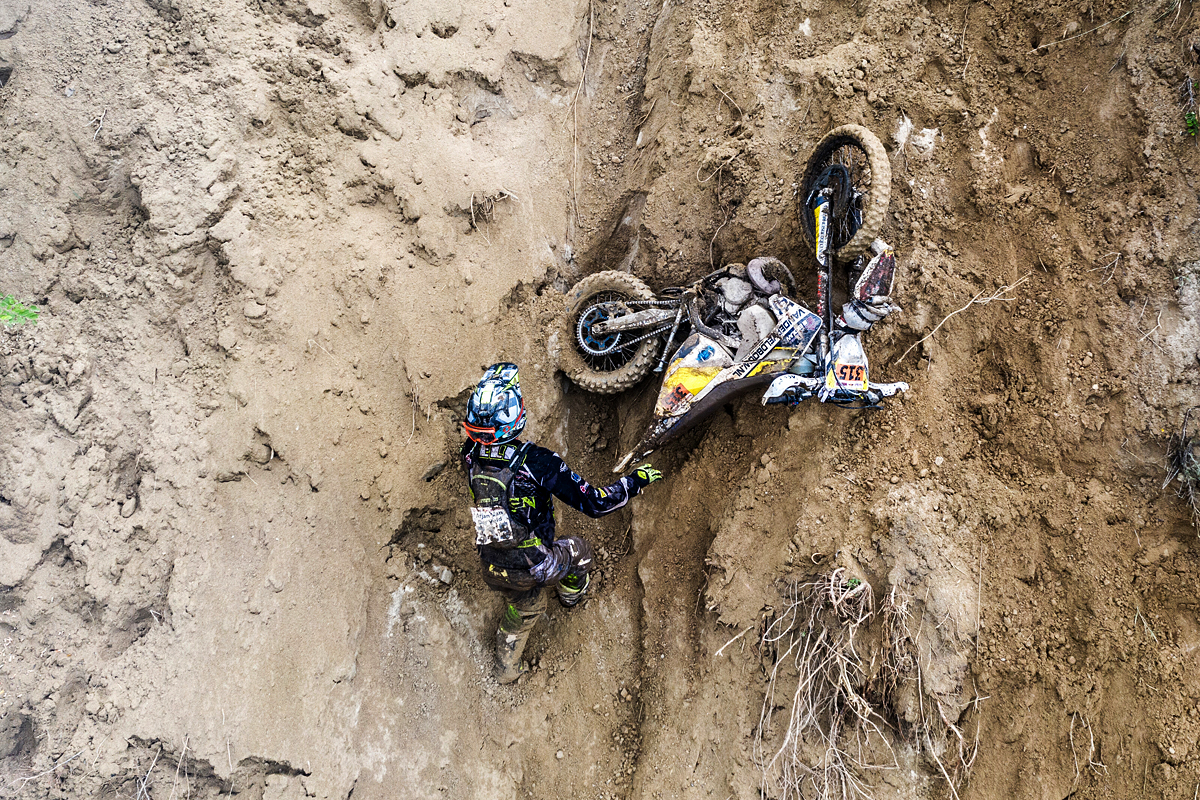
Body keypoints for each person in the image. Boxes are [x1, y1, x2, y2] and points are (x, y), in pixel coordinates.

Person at [461, 362, 663, 683]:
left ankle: (506, 668)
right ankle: (570, 595)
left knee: (523, 609)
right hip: (535, 566)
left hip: (491, 563)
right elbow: (595, 503)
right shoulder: (537, 463)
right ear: (514, 416)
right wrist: (635, 481)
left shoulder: (470, 454)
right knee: (579, 552)